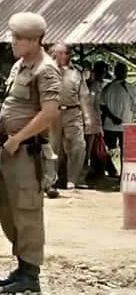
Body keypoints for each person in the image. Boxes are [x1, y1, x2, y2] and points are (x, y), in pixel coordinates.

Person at [0, 12, 60, 294]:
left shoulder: (46, 69)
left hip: (27, 152)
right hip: (9, 148)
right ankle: (21, 265)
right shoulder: (20, 65)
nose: (13, 42)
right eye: (13, 36)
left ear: (35, 40)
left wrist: (18, 137)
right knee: (6, 207)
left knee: (27, 210)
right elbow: (12, 103)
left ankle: (30, 274)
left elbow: (50, 113)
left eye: (19, 38)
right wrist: (1, 131)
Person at [43, 43, 90, 196]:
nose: (66, 56)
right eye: (63, 53)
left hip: (72, 112)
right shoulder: (46, 71)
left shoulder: (76, 74)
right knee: (52, 147)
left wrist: (87, 116)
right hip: (52, 113)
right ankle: (51, 180)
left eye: (68, 53)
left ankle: (72, 179)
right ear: (54, 54)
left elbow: (83, 96)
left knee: (78, 145)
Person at [101, 63, 136, 179]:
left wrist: (112, 117)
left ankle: (118, 173)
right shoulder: (127, 88)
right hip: (120, 124)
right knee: (118, 151)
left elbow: (103, 107)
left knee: (113, 150)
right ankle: (117, 173)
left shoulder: (108, 88)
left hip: (115, 125)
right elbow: (103, 106)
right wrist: (114, 117)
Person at [85, 61, 109, 178]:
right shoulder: (94, 86)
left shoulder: (99, 85)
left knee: (95, 145)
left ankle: (95, 169)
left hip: (96, 117)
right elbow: (92, 104)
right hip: (92, 119)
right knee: (90, 147)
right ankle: (87, 168)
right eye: (102, 72)